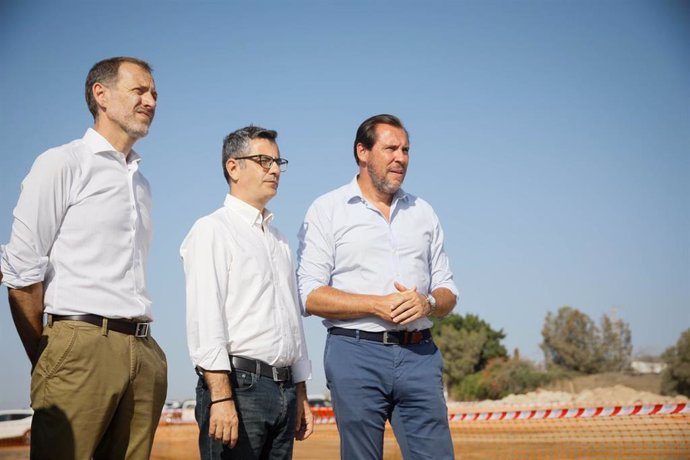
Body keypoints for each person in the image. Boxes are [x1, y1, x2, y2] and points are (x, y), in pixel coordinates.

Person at [0, 56, 167, 459]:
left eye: (155, 94)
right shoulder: (62, 163)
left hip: (143, 352)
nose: (150, 101)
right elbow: (22, 273)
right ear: (101, 95)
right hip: (80, 343)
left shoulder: (141, 183)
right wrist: (50, 354)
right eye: (139, 90)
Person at [297, 114, 458, 459]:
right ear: (363, 152)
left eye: (406, 150)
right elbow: (309, 293)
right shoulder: (328, 210)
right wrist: (375, 305)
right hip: (355, 354)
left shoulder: (424, 212)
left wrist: (428, 303)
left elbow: (448, 291)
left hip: (420, 355)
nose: (401, 157)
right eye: (390, 149)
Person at [181, 126, 313, 459]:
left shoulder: (279, 241)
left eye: (278, 161)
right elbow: (206, 319)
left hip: (284, 391)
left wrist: (300, 394)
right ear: (233, 167)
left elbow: (293, 325)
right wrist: (221, 399)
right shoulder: (212, 229)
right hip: (240, 389)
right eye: (263, 160)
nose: (274, 169)